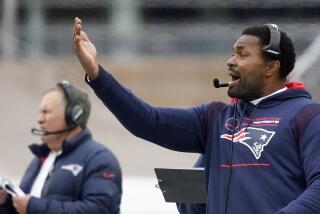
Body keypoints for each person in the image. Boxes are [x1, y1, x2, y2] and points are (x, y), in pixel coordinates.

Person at [73, 17, 320, 214]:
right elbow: (147, 121)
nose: (230, 61)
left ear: (271, 67)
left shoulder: (307, 116)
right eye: (233, 53)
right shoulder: (215, 118)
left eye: (242, 54)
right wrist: (96, 73)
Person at [0, 80, 122, 214]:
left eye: (46, 112)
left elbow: (99, 210)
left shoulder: (100, 159)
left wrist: (33, 207)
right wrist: (6, 203)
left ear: (74, 115)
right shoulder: (39, 160)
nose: (39, 119)